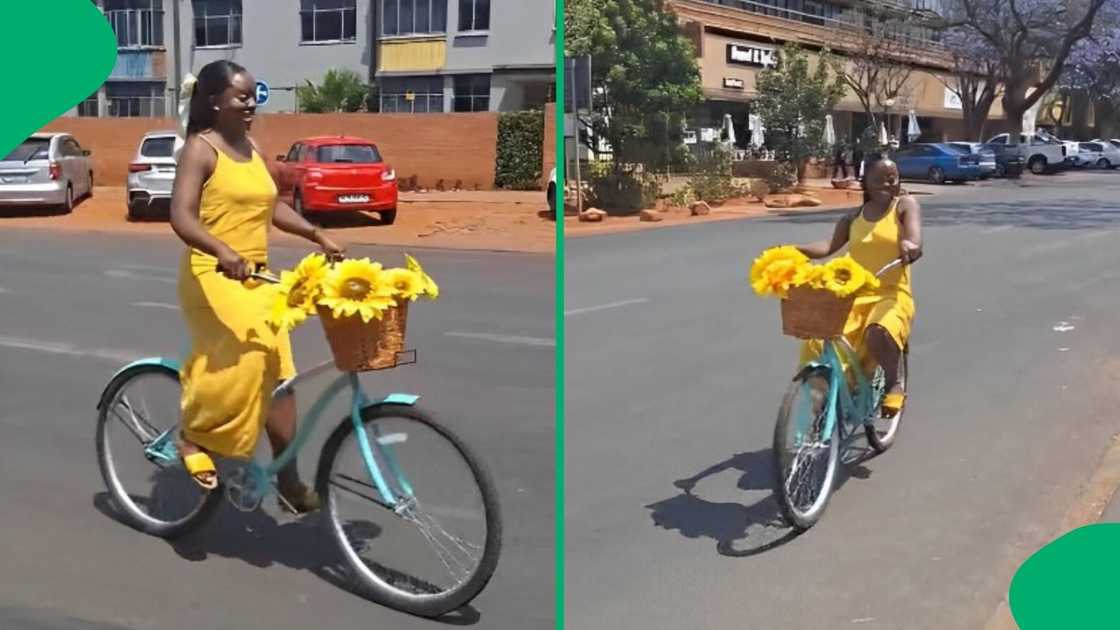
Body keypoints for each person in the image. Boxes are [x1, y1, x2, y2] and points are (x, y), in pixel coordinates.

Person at [169, 60, 345, 512]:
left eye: (253, 96)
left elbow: (270, 208)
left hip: (254, 275)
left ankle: (288, 481)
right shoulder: (200, 149)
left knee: (281, 381)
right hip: (213, 275)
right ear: (214, 101)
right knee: (249, 358)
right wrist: (222, 251)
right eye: (241, 96)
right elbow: (182, 217)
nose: (250, 104)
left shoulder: (250, 146)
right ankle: (193, 436)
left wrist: (315, 233)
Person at [793, 155, 922, 417]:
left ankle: (893, 381)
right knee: (821, 340)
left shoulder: (904, 205)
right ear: (866, 183)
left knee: (879, 331)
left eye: (893, 177)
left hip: (892, 293)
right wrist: (793, 250)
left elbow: (914, 237)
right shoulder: (852, 218)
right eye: (880, 179)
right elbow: (828, 247)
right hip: (855, 293)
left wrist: (910, 246)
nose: (889, 183)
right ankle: (822, 409)